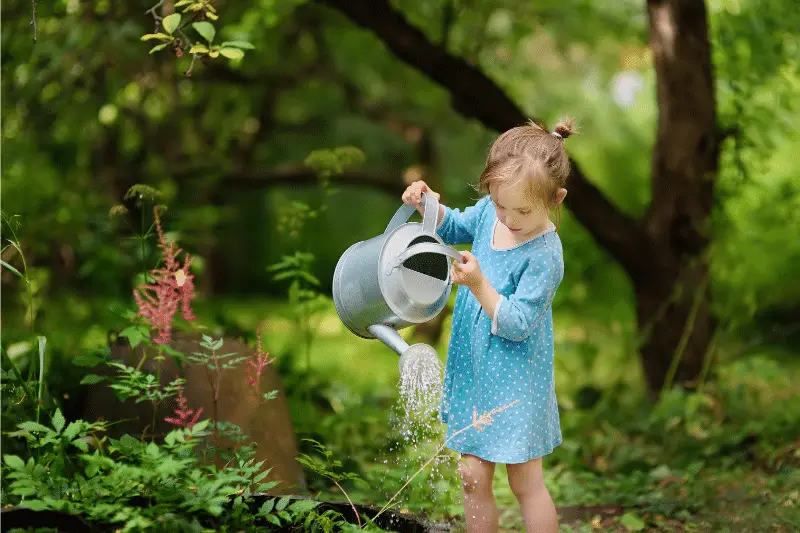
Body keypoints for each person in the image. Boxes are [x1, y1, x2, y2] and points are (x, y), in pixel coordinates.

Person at [401, 118, 575, 533]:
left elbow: (516, 323)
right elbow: (455, 225)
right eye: (500, 205)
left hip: (517, 381)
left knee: (524, 481)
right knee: (472, 475)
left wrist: (479, 284)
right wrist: (428, 206)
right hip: (475, 372)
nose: (509, 218)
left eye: (523, 210)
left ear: (556, 198)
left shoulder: (545, 254)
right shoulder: (489, 214)